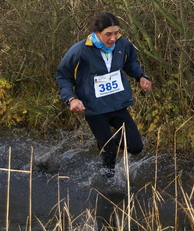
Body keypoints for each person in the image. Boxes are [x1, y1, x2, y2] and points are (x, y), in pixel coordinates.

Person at [56, 12, 152, 179]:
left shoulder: (123, 45)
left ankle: (106, 143)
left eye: (116, 33)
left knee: (136, 147)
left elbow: (130, 63)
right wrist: (71, 99)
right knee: (110, 153)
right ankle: (107, 186)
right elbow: (63, 75)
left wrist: (140, 77)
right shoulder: (80, 50)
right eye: (108, 34)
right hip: (94, 108)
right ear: (97, 33)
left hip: (117, 104)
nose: (113, 38)